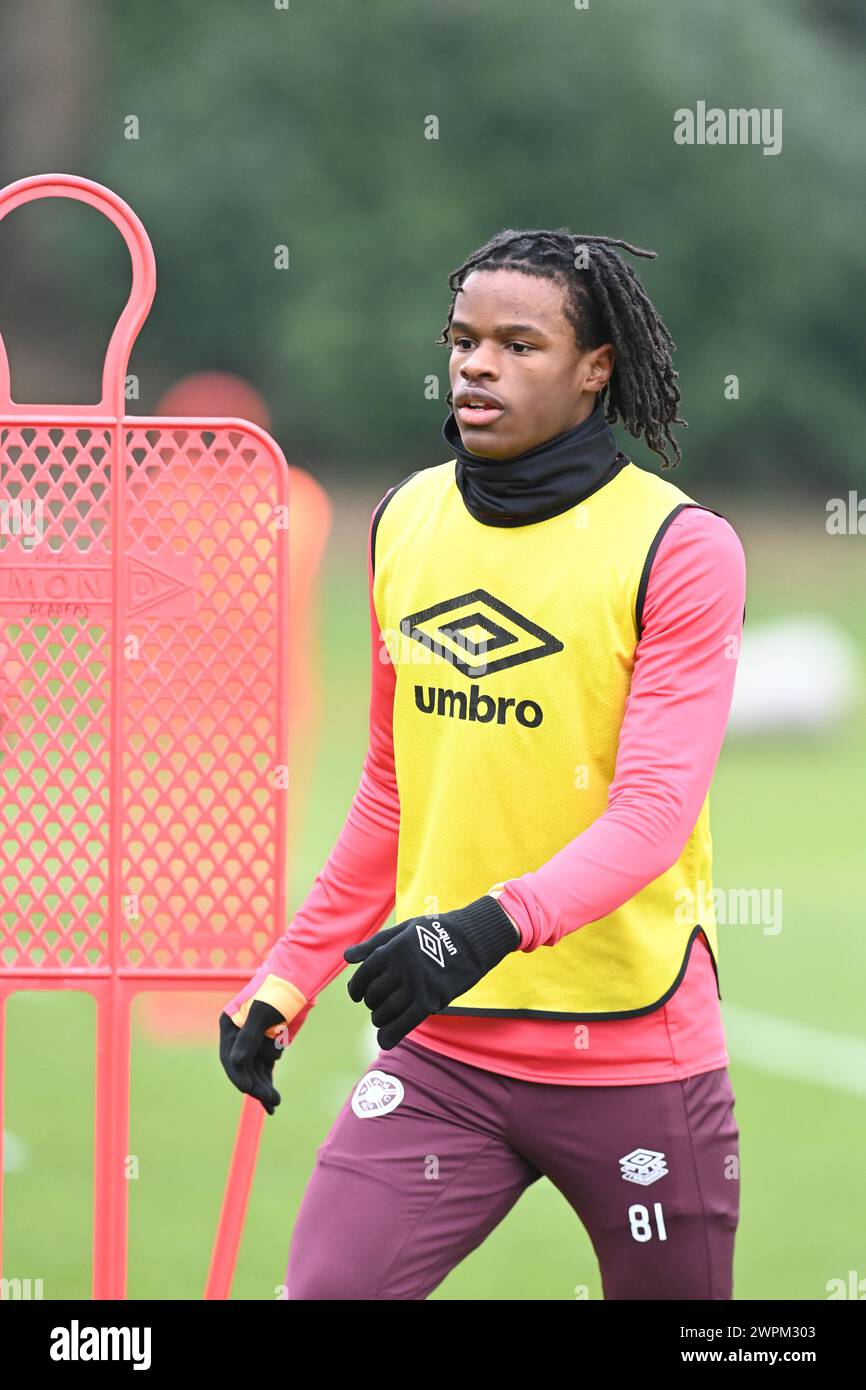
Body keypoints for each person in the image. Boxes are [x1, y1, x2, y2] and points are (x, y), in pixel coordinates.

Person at [220, 227, 746, 1301]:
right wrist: (288, 974)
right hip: (443, 1050)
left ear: (594, 368)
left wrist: (483, 925)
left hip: (631, 1052)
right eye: (462, 339)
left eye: (518, 343)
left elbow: (650, 815)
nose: (475, 364)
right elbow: (391, 790)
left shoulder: (679, 548)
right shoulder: (406, 517)